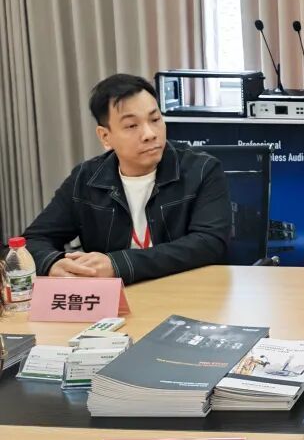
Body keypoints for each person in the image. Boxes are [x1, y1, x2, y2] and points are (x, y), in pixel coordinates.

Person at [23, 74, 230, 284]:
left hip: (186, 291)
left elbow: (209, 243)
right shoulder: (86, 179)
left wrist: (118, 265)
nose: (149, 134)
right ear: (105, 137)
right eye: (132, 125)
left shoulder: (201, 169)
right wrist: (53, 264)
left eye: (155, 119)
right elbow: (32, 241)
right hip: (114, 299)